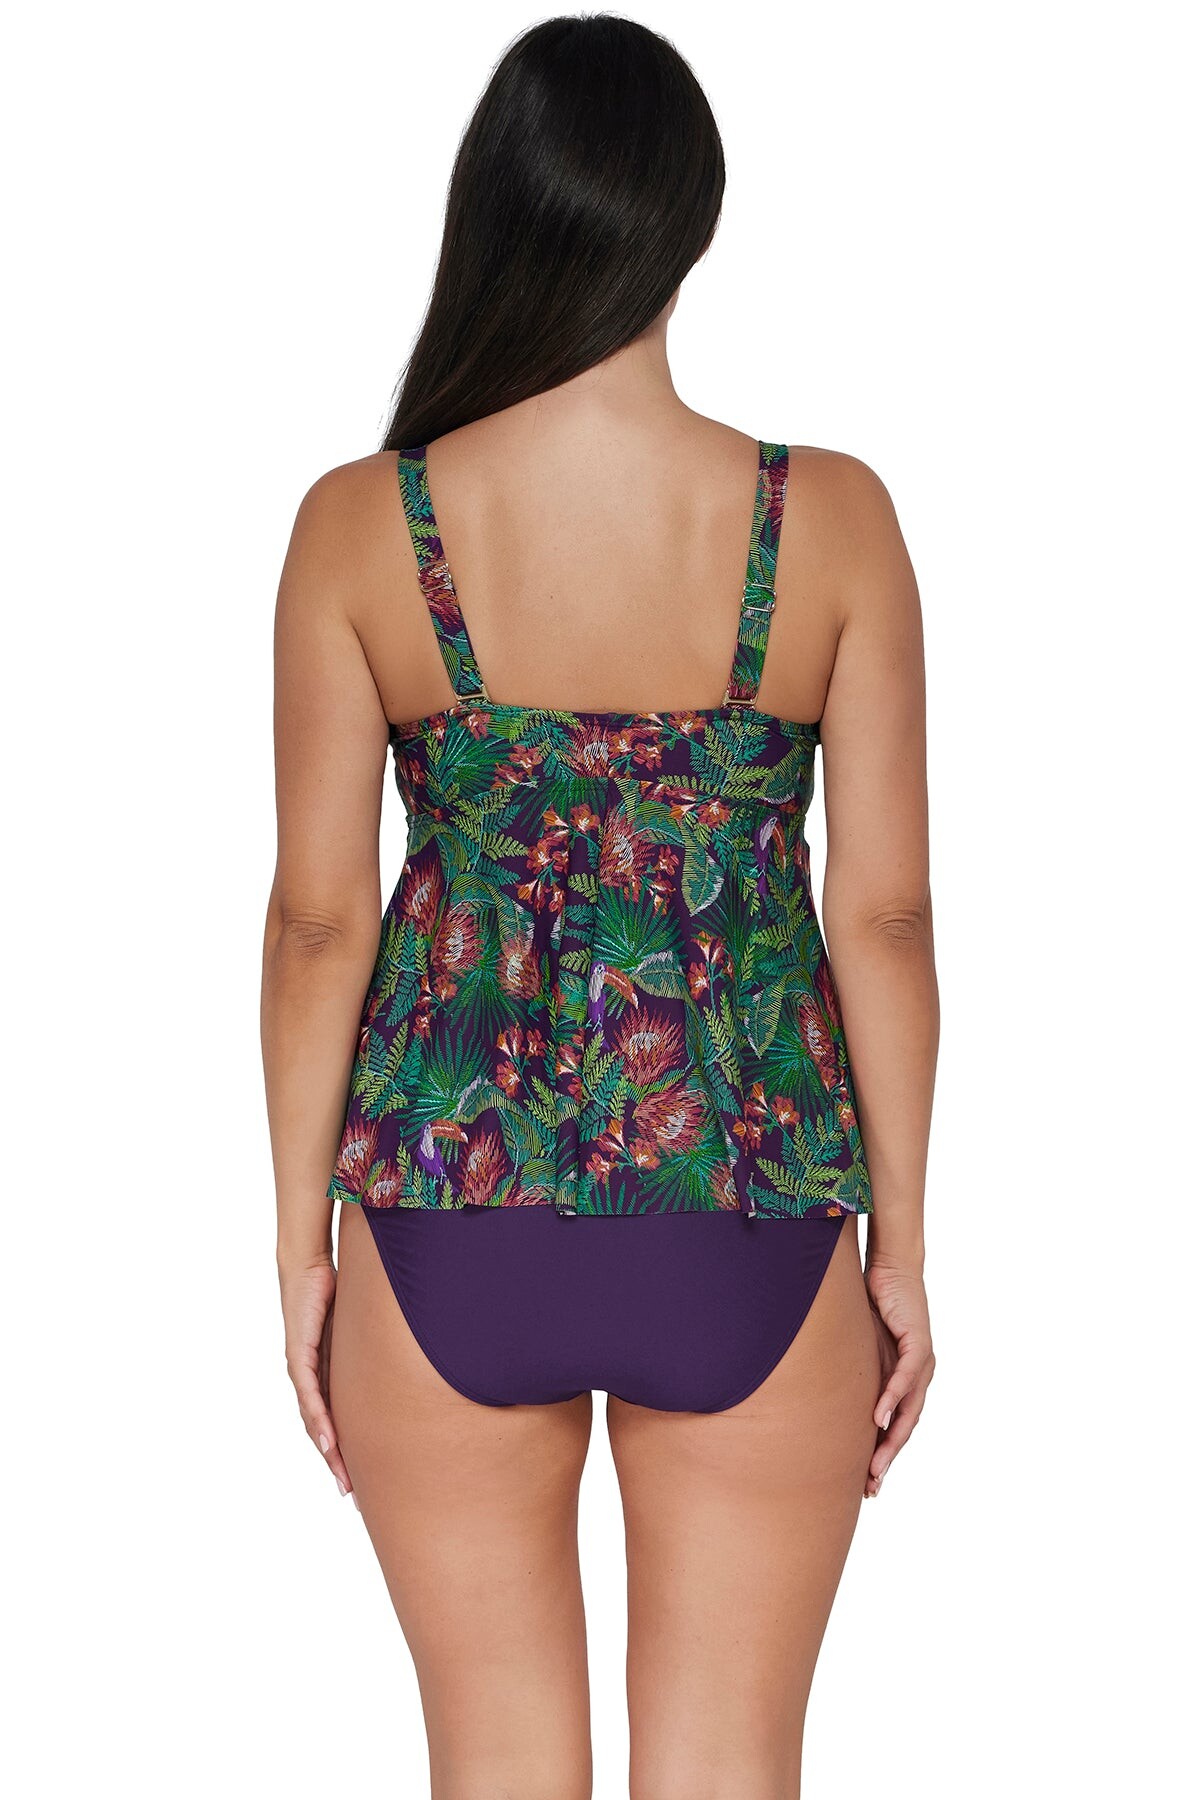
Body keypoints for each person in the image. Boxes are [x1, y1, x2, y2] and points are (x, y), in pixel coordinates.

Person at [260, 15, 937, 1797]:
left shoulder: (364, 527)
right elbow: (883, 921)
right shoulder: (828, 521)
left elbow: (321, 922)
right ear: (689, 220)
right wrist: (905, 1246)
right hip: (752, 1204)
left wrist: (300, 1242)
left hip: (443, 1204)